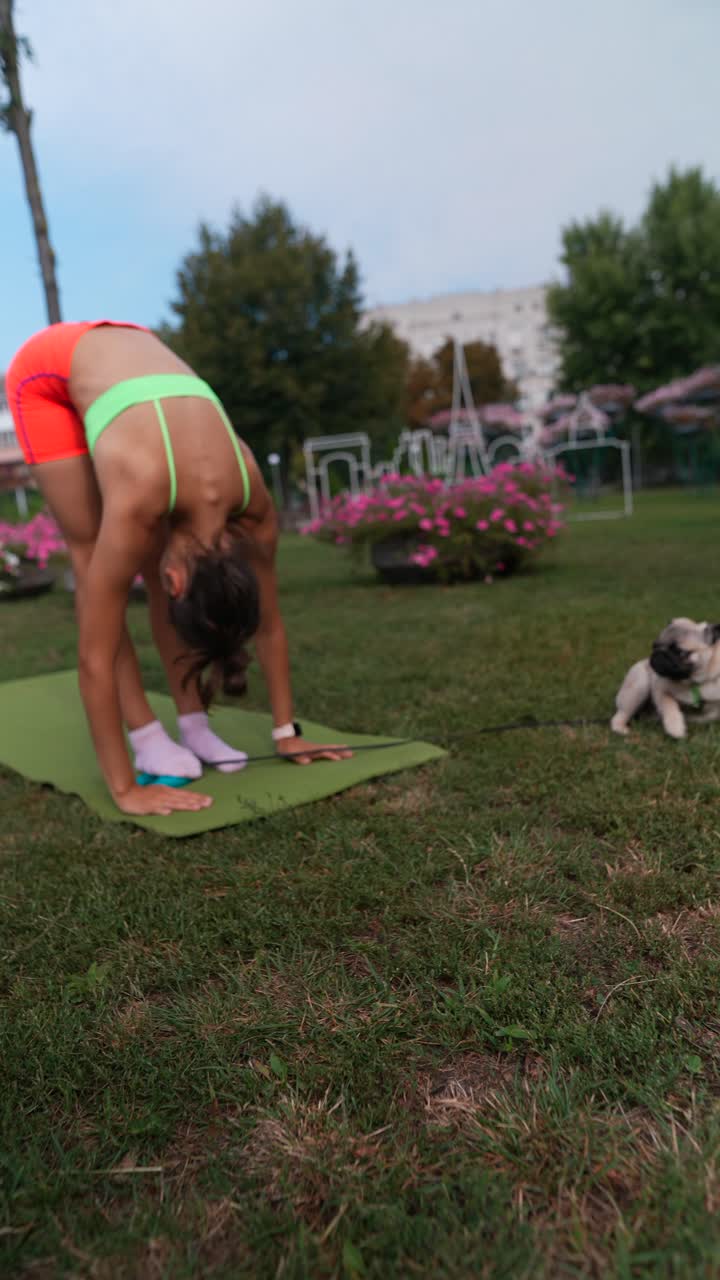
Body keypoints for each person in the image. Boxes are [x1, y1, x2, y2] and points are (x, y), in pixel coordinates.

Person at [6, 320, 351, 817]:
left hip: (137, 356)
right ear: (175, 582)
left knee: (148, 541)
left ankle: (194, 729)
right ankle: (148, 736)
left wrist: (286, 734)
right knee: (93, 558)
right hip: (47, 372)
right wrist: (126, 790)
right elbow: (93, 659)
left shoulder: (251, 501)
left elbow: (269, 624)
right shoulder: (143, 493)